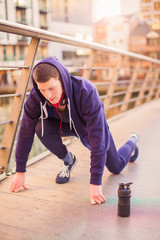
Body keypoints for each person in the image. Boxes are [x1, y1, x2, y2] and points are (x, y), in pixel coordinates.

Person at [10, 56, 139, 205]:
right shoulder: (35, 99)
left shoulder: (86, 92)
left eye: (52, 88)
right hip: (61, 126)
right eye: (42, 90)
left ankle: (133, 141)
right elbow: (25, 132)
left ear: (62, 80)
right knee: (39, 127)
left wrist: (95, 184)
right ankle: (68, 160)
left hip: (88, 128)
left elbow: (98, 138)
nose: (48, 95)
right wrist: (20, 171)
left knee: (116, 167)